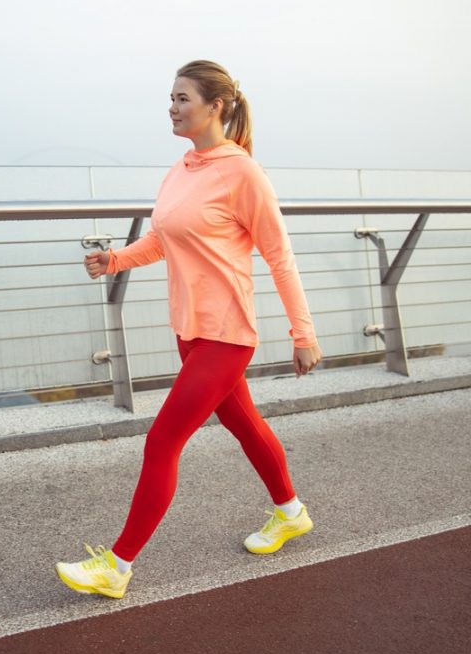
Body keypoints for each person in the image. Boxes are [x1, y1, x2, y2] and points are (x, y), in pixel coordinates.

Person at [55, 60, 323, 599]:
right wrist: (115, 260)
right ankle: (291, 512)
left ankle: (117, 565)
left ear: (215, 106)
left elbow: (279, 256)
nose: (172, 107)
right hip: (190, 330)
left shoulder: (243, 173)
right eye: (171, 98)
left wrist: (304, 334)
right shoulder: (181, 170)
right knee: (244, 424)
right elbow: (163, 238)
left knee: (162, 441)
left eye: (182, 98)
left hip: (227, 334)